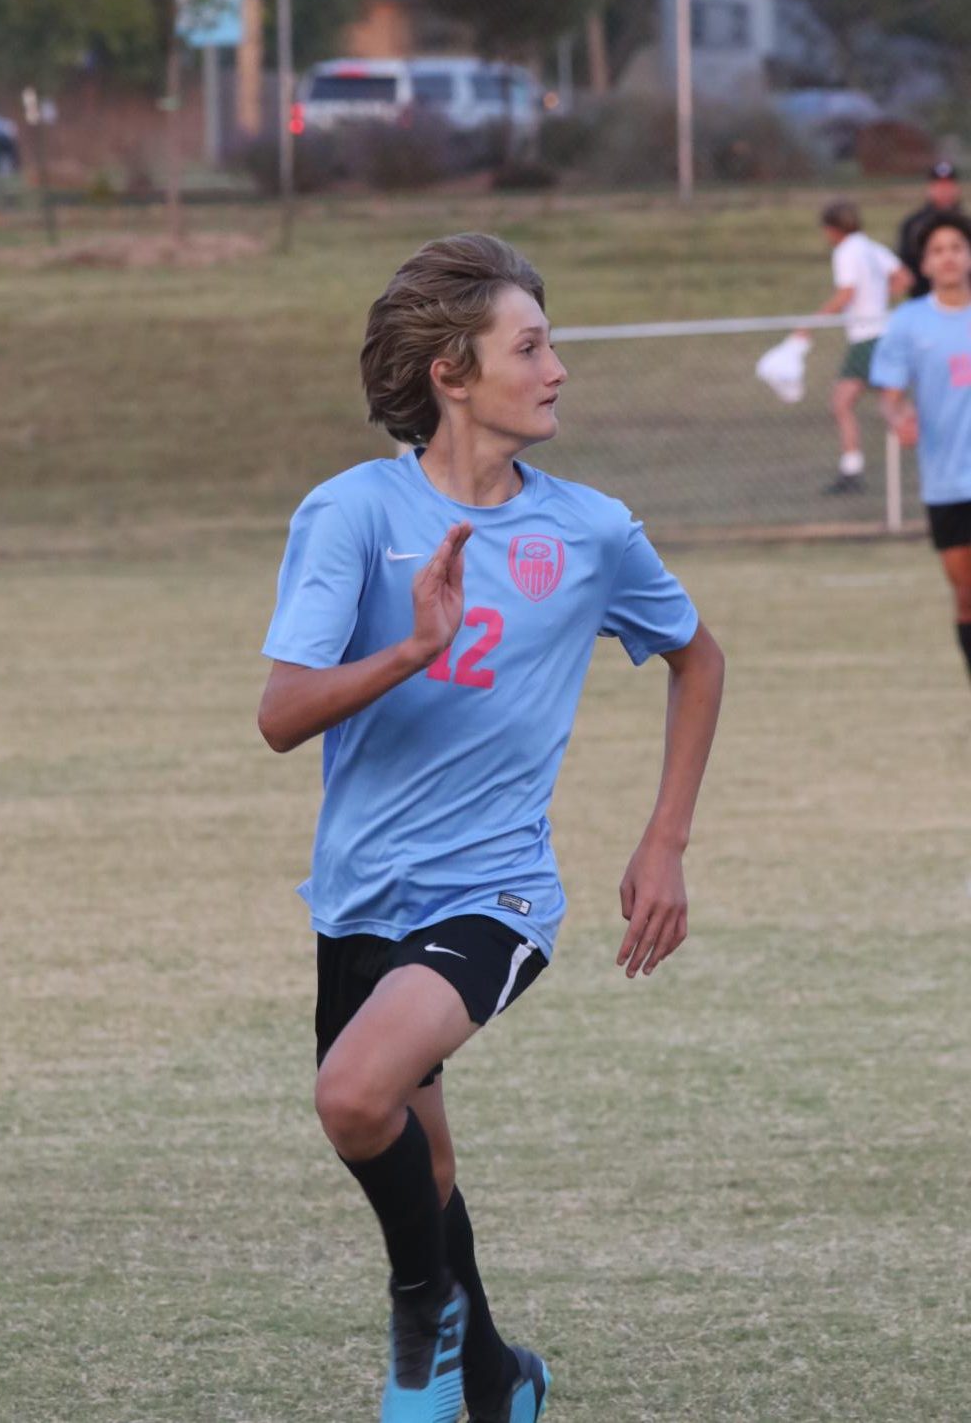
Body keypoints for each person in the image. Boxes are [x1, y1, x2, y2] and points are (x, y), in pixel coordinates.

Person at [257, 233, 725, 1422]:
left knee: (353, 1095)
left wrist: (662, 838)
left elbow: (695, 654)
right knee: (425, 1157)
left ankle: (425, 1319)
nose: (557, 367)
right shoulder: (351, 513)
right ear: (450, 373)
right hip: (360, 895)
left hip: (496, 895)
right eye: (531, 345)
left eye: (550, 342)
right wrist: (409, 647)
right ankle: (498, 1380)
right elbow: (281, 714)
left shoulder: (591, 531)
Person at [872, 209, 971, 687]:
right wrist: (899, 418)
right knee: (967, 595)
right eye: (937, 251)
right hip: (949, 482)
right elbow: (889, 399)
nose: (948, 258)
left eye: (956, 247)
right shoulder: (909, 323)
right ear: (925, 264)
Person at [801, 200, 907, 496]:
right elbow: (903, 277)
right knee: (892, 402)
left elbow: (847, 293)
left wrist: (810, 323)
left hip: (866, 337)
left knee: (842, 402)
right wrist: (880, 297)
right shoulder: (872, 247)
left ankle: (851, 470)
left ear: (834, 228)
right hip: (883, 332)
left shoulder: (846, 251)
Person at [897, 162, 962, 300]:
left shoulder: (965, 224)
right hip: (924, 297)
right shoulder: (913, 225)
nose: (944, 190)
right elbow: (907, 266)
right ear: (930, 188)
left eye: (948, 185)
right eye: (939, 185)